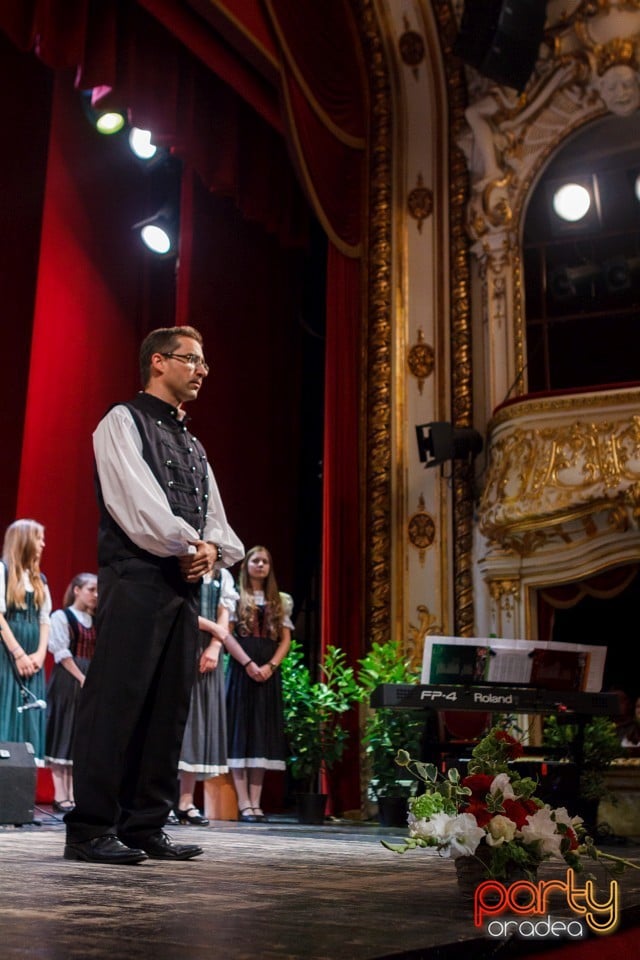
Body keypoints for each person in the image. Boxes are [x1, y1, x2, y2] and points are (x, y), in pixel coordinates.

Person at [64, 325, 244, 865]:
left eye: (204, 362)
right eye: (192, 360)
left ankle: (145, 823)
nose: (202, 371)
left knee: (169, 708)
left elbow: (218, 520)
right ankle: (91, 827)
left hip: (183, 583)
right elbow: (136, 505)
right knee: (116, 703)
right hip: (139, 576)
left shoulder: (193, 443)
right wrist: (189, 545)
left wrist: (212, 551)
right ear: (159, 362)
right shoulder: (122, 421)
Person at [224, 545, 292, 822]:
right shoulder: (236, 597)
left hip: (268, 673)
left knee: (262, 733)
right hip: (243, 670)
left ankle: (256, 802)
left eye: (265, 561)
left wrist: (271, 666)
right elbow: (227, 636)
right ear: (246, 565)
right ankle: (243, 802)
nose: (260, 565)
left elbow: (285, 639)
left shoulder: (280, 600)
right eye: (255, 560)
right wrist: (249, 664)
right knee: (242, 731)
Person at [171, 566, 238, 825]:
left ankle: (185, 802)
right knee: (175, 720)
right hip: (180, 642)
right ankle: (160, 800)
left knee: (197, 724)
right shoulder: (184, 567)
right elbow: (179, 608)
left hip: (209, 650)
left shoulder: (222, 576)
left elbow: (225, 613)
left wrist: (215, 644)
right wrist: (218, 631)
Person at [44, 572, 98, 813]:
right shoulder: (62, 617)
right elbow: (61, 653)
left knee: (81, 735)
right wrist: (81, 677)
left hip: (89, 678)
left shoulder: (96, 620)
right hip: (68, 680)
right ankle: (60, 794)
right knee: (63, 729)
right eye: (91, 589)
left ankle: (75, 795)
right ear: (76, 590)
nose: (96, 595)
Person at [0, 519, 51, 762]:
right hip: (8, 653)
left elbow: (45, 620)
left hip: (32, 657)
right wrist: (18, 654)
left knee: (28, 711)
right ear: (24, 541)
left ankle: (20, 778)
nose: (43, 543)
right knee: (7, 705)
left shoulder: (41, 580)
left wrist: (40, 654)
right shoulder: (3, 571)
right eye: (39, 538)